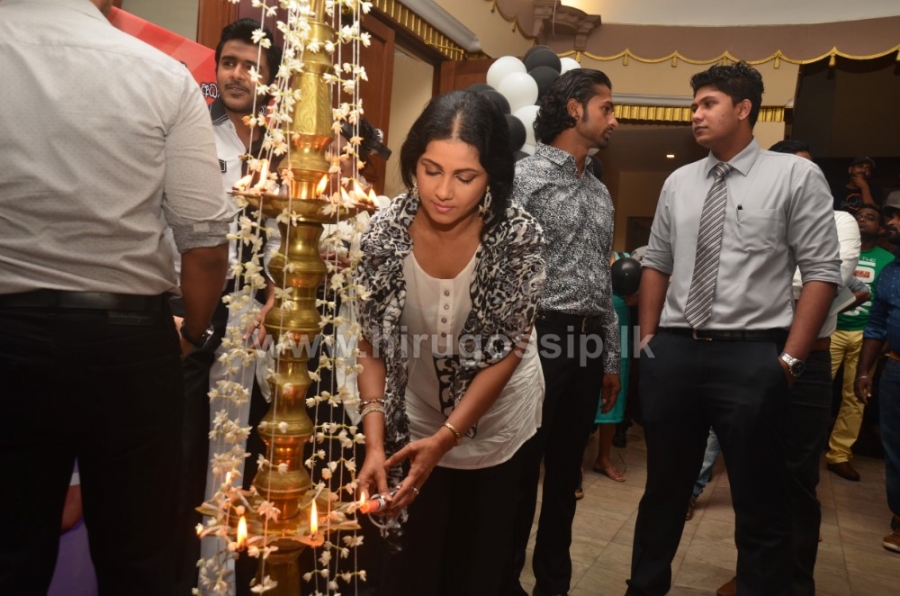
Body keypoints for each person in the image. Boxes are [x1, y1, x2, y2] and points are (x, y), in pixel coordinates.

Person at [0, 0, 233, 594]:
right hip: (128, 341)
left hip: (8, 333)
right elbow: (206, 242)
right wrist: (192, 333)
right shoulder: (161, 74)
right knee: (140, 563)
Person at [629, 62, 841, 596]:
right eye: (694, 105)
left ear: (744, 109)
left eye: (708, 104)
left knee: (760, 500)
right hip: (675, 351)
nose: (695, 114)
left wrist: (789, 360)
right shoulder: (679, 181)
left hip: (751, 356)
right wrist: (648, 343)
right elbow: (657, 262)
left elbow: (821, 272)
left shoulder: (794, 176)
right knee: (662, 494)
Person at [354, 90, 546, 596]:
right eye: (431, 170)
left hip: (497, 419)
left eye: (465, 177)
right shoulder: (385, 231)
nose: (443, 191)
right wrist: (375, 443)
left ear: (492, 177)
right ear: (413, 163)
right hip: (416, 412)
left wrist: (447, 437)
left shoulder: (517, 236)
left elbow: (508, 351)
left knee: (477, 566)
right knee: (409, 567)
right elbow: (371, 342)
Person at [714, 138, 862, 596]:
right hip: (751, 355)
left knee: (798, 478)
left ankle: (794, 584)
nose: (801, 180)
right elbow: (731, 277)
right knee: (749, 475)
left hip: (809, 362)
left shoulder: (840, 221)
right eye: (790, 171)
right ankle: (752, 574)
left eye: (809, 171)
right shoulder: (752, 215)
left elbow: (829, 277)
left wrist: (766, 273)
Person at [505, 68, 620, 596]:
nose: (614, 120)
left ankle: (553, 584)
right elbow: (502, 270)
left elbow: (602, 278)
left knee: (567, 476)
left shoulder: (600, 192)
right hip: (538, 340)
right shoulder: (523, 178)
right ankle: (503, 581)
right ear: (575, 109)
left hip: (588, 343)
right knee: (520, 472)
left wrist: (610, 358)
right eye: (607, 108)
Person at [185, 18, 283, 596]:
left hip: (253, 314)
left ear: (270, 79)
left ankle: (227, 575)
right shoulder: (194, 130)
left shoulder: (280, 144)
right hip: (190, 308)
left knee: (239, 449)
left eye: (252, 66)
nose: (238, 74)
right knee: (186, 445)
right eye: (229, 62)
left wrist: (275, 296)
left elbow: (282, 235)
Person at [825, 204, 894, 482]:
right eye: (858, 216)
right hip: (832, 330)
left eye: (870, 217)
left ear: (880, 229)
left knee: (856, 396)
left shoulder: (887, 260)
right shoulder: (837, 249)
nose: (862, 220)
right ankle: (802, 444)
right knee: (816, 388)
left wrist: (885, 338)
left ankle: (839, 454)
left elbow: (887, 302)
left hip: (865, 336)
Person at [856, 190, 900, 555]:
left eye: (898, 216)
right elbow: (876, 325)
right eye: (889, 215)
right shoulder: (890, 272)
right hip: (895, 370)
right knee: (894, 446)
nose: (891, 222)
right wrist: (864, 371)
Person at [592, 252, 639, 482]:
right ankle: (573, 463)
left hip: (620, 341)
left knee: (613, 399)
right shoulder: (589, 257)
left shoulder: (627, 258)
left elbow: (641, 295)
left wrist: (637, 295)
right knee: (584, 399)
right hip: (590, 338)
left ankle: (603, 458)